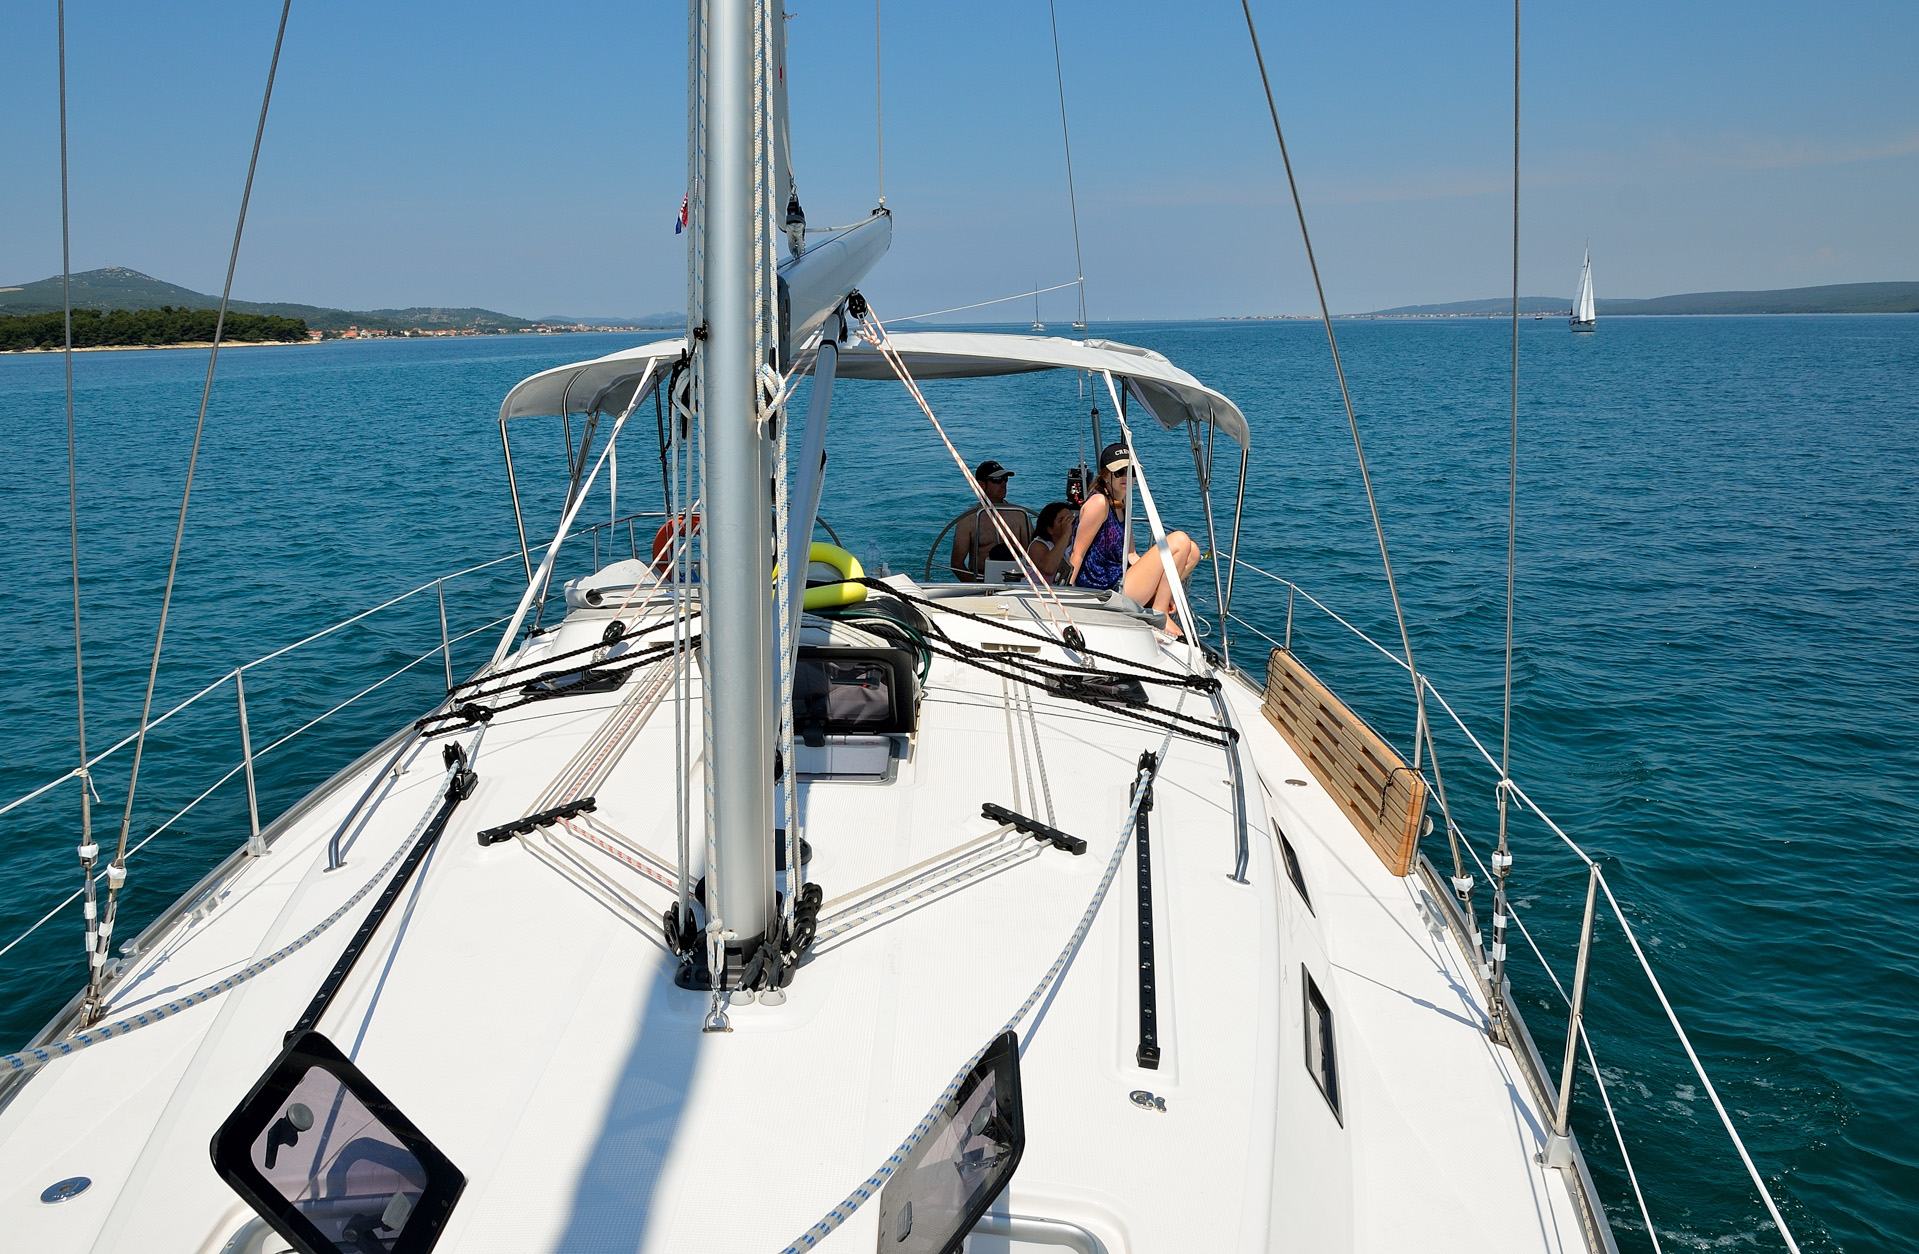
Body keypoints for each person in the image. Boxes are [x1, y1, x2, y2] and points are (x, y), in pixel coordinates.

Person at [1066, 442, 1202, 635]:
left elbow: (1131, 555)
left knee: (1193, 552)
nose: (1126, 477)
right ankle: (1160, 612)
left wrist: (1164, 587)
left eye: (1131, 472)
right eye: (1120, 472)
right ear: (1105, 475)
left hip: (1122, 580)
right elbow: (1077, 553)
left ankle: (1159, 600)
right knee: (1179, 540)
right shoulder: (1099, 502)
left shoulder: (1122, 505)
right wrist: (1065, 594)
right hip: (1104, 590)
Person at [949, 460, 1032, 582]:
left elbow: (1033, 555)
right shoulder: (968, 520)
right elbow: (957, 564)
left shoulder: (1020, 515)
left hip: (1017, 581)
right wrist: (977, 587)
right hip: (981, 579)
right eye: (997, 480)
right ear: (981, 485)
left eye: (1005, 479)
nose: (1003, 484)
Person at [1027, 501, 1077, 584]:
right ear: (1050, 529)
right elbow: (1048, 569)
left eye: (1070, 518)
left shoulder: (1077, 542)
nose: (1068, 523)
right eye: (1062, 521)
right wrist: (1066, 534)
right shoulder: (1038, 546)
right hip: (1037, 592)